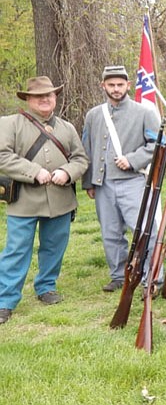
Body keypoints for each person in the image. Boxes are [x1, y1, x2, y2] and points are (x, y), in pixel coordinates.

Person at [0, 77, 88, 324]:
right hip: (24, 201)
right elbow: (2, 156)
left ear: (55, 97)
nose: (45, 99)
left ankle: (46, 286)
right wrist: (33, 171)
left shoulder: (67, 128)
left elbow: (81, 159)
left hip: (60, 200)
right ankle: (5, 301)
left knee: (54, 247)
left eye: (49, 95)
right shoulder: (9, 124)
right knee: (16, 251)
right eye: (39, 96)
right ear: (28, 99)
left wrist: (67, 172)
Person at [82, 65, 161, 292]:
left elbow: (157, 144)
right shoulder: (94, 115)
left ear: (128, 85)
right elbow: (87, 148)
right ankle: (118, 275)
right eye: (111, 85)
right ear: (103, 86)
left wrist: (133, 159)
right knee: (110, 233)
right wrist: (89, 182)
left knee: (144, 229)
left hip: (133, 181)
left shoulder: (144, 113)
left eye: (120, 85)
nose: (116, 89)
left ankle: (151, 276)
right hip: (103, 184)